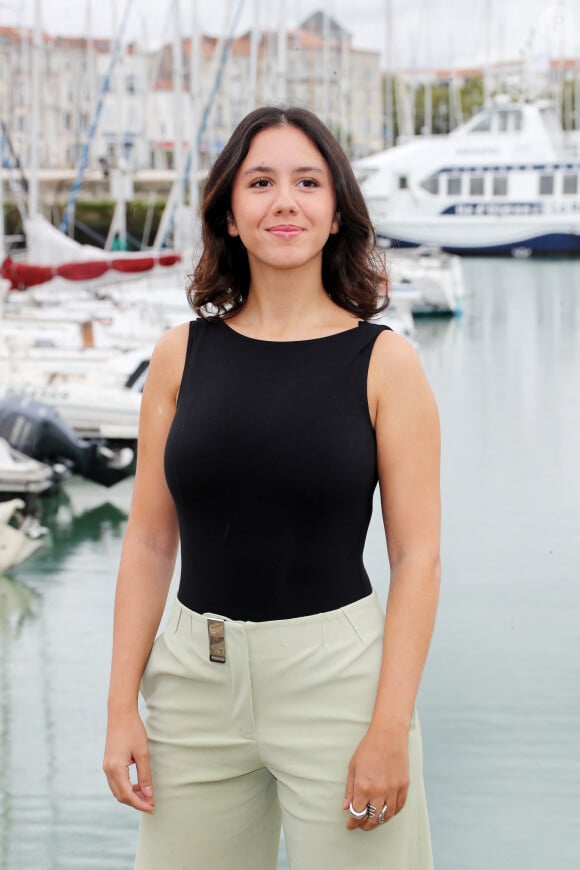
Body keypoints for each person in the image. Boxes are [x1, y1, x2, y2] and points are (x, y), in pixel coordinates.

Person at [103, 106, 440, 870]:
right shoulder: (179, 355)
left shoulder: (386, 363)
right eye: (261, 181)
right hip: (192, 683)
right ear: (228, 211)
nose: (284, 201)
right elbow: (152, 542)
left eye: (307, 182)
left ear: (335, 212)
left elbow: (418, 557)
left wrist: (390, 725)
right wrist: (121, 704)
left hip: (342, 689)